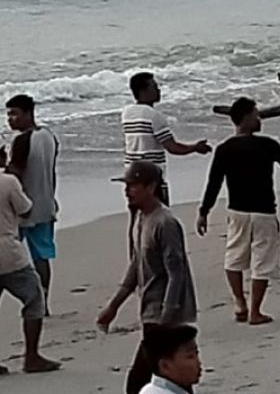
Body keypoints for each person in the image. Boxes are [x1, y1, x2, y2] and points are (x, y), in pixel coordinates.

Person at [197, 97, 280, 325]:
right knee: (262, 262)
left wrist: (204, 211)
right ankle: (255, 311)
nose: (259, 119)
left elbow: (214, 183)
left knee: (234, 257)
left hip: (237, 211)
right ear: (246, 117)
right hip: (263, 211)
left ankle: (239, 302)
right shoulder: (266, 145)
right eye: (256, 114)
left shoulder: (224, 149)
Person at [97, 161, 197, 394]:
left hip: (165, 316)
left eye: (133, 185)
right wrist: (114, 305)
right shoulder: (141, 219)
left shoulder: (165, 223)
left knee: (142, 381)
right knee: (172, 379)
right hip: (151, 312)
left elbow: (177, 272)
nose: (127, 191)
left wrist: (168, 316)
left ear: (151, 187)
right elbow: (136, 265)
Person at [0, 131, 59, 374]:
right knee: (34, 299)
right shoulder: (7, 182)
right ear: (0, 155)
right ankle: (31, 356)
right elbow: (26, 210)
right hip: (10, 255)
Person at [4, 94, 60, 315]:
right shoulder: (48, 135)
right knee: (42, 256)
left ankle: (31, 297)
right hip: (46, 203)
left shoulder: (21, 141)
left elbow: (15, 175)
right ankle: (44, 300)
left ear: (28, 113)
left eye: (14, 114)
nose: (10, 119)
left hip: (24, 207)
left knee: (12, 254)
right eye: (8, 114)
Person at [122, 73, 211, 206]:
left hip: (131, 173)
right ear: (143, 91)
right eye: (154, 87)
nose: (158, 90)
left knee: (137, 218)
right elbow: (172, 148)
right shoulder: (154, 116)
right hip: (151, 176)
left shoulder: (127, 113)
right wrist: (195, 147)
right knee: (158, 215)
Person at [138, 324, 202, 394]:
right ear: (165, 366)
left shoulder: (149, 389)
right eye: (190, 356)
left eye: (196, 353)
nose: (198, 362)